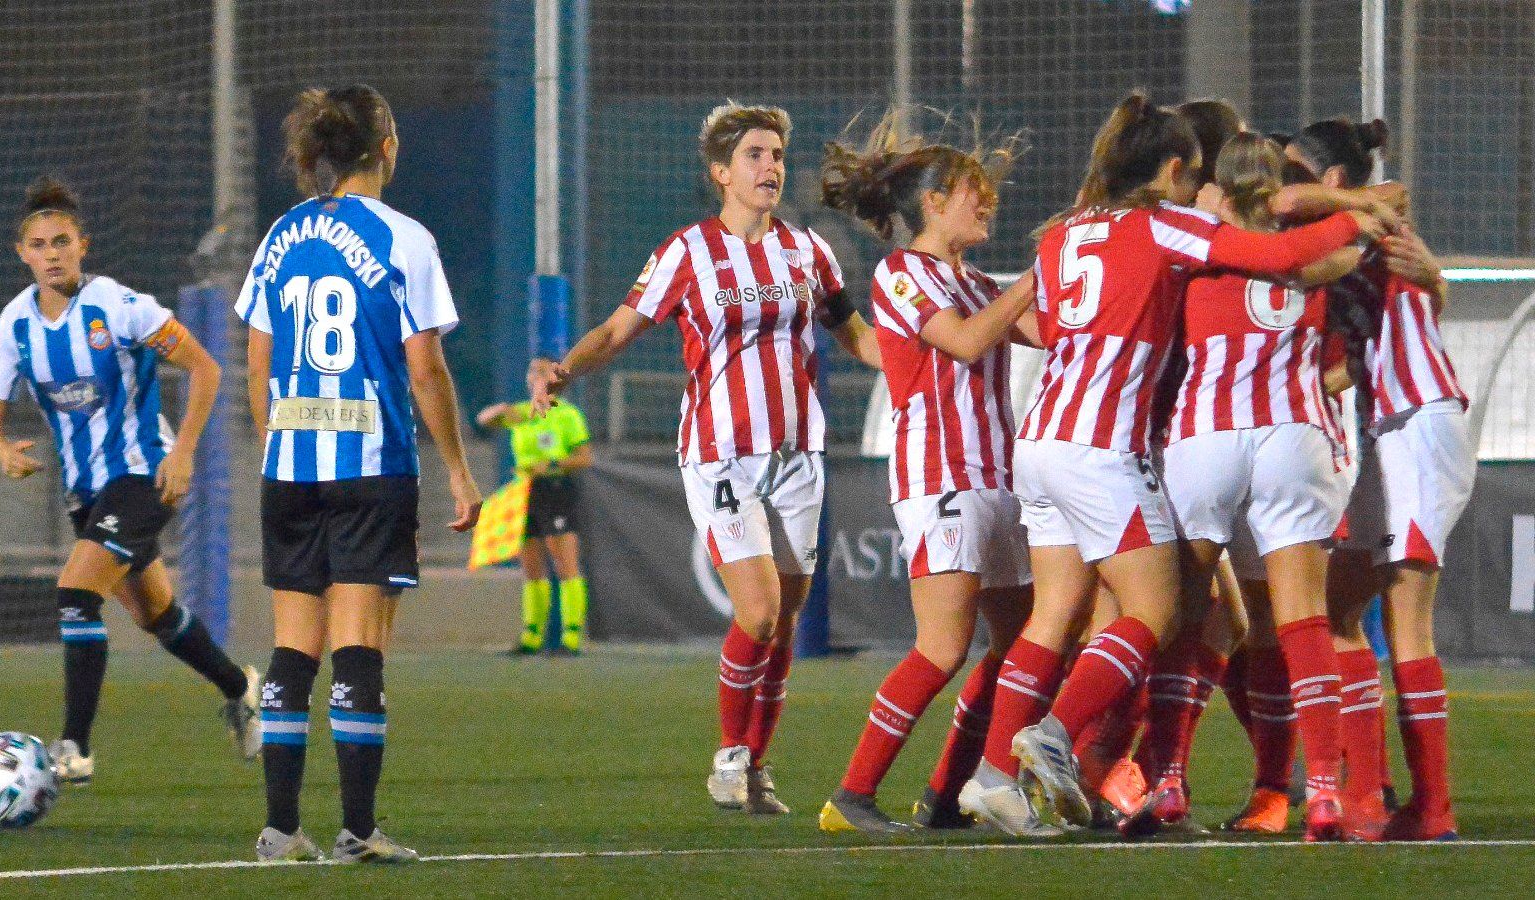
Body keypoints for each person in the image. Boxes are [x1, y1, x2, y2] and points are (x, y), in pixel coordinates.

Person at [964, 92, 1382, 830]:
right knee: (1155, 611)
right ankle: (1057, 738)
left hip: (1041, 440)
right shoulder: (1166, 225)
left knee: (1055, 614)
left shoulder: (1063, 235)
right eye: (1193, 179)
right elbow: (1281, 254)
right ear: (1172, 170)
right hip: (1104, 449)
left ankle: (993, 777)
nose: (1200, 192)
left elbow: (1054, 325)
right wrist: (1362, 216)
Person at [531, 101, 881, 816]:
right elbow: (619, 327)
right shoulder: (686, 252)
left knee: (785, 621)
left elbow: (853, 332)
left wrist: (915, 366)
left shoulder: (808, 250)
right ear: (721, 172)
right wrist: (565, 367)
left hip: (797, 457)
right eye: (755, 154)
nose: (771, 167)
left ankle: (756, 767)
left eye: (778, 155)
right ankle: (728, 753)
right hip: (720, 455)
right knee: (757, 612)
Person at [237, 84, 483, 863]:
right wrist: (458, 471)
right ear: (386, 148)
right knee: (359, 646)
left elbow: (257, 356)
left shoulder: (281, 233)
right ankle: (359, 829)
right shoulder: (405, 239)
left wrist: (275, 441)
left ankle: (280, 830)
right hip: (370, 463)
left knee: (290, 647)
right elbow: (426, 368)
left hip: (291, 466)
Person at [0, 177, 260, 786]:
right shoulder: (15, 324)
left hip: (142, 473)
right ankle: (243, 690)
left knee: (77, 593)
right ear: (21, 253)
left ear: (83, 245)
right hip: (86, 492)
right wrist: (2, 448)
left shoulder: (120, 305)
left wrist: (183, 453)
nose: (51, 253)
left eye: (62, 241)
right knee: (156, 615)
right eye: (38, 244)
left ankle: (74, 750)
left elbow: (206, 367)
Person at [813, 119, 1047, 834]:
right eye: (976, 194)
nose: (989, 206)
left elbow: (1050, 334)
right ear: (937, 201)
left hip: (998, 478)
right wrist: (1041, 273)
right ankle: (849, 797)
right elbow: (969, 341)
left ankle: (947, 794)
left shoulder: (975, 280)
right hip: (940, 477)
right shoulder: (901, 273)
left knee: (1023, 646)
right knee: (942, 647)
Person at [1132, 133, 1364, 841]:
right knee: (1301, 616)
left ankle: (1167, 780)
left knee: (1184, 614)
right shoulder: (1319, 258)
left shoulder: (1196, 250)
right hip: (1294, 434)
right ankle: (1323, 790)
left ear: (1220, 191)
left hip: (1206, 436)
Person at [1289, 117, 1468, 842]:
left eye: (1296, 171)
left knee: (1407, 621)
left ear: (1332, 180)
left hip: (1421, 424)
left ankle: (1434, 811)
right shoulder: (1350, 237)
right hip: (1381, 427)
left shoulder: (1373, 222)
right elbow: (1355, 357)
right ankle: (1366, 794)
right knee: (1338, 610)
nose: (1282, 185)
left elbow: (1390, 192)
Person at [477, 363, 594, 653]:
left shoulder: (567, 414)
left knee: (565, 562)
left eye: (541, 372)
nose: (533, 377)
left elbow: (584, 457)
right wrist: (500, 410)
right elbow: (484, 420)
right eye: (530, 372)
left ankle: (571, 637)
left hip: (556, 489)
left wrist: (552, 464)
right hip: (524, 491)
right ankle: (531, 636)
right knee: (531, 565)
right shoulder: (520, 412)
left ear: (554, 379)